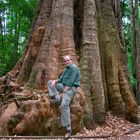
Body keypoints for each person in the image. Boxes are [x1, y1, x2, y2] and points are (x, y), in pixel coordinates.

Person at [47, 55, 80, 138]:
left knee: (64, 105)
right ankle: (56, 97)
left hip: (71, 88)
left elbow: (71, 81)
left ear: (71, 60)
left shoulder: (74, 68)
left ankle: (68, 129)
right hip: (63, 86)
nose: (66, 62)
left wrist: (65, 91)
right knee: (50, 82)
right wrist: (55, 81)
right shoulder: (65, 69)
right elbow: (61, 80)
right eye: (65, 61)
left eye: (68, 60)